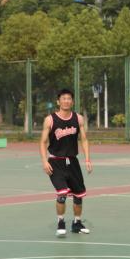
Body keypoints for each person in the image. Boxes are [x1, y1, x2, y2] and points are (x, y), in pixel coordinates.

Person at [39, 88, 93, 237]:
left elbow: (84, 140)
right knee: (62, 194)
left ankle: (77, 223)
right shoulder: (50, 120)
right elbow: (43, 142)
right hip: (55, 162)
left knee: (78, 195)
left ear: (72, 101)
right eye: (63, 98)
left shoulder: (78, 119)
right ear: (58, 101)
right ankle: (61, 223)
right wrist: (44, 161)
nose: (66, 101)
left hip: (73, 161)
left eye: (69, 98)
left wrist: (87, 159)